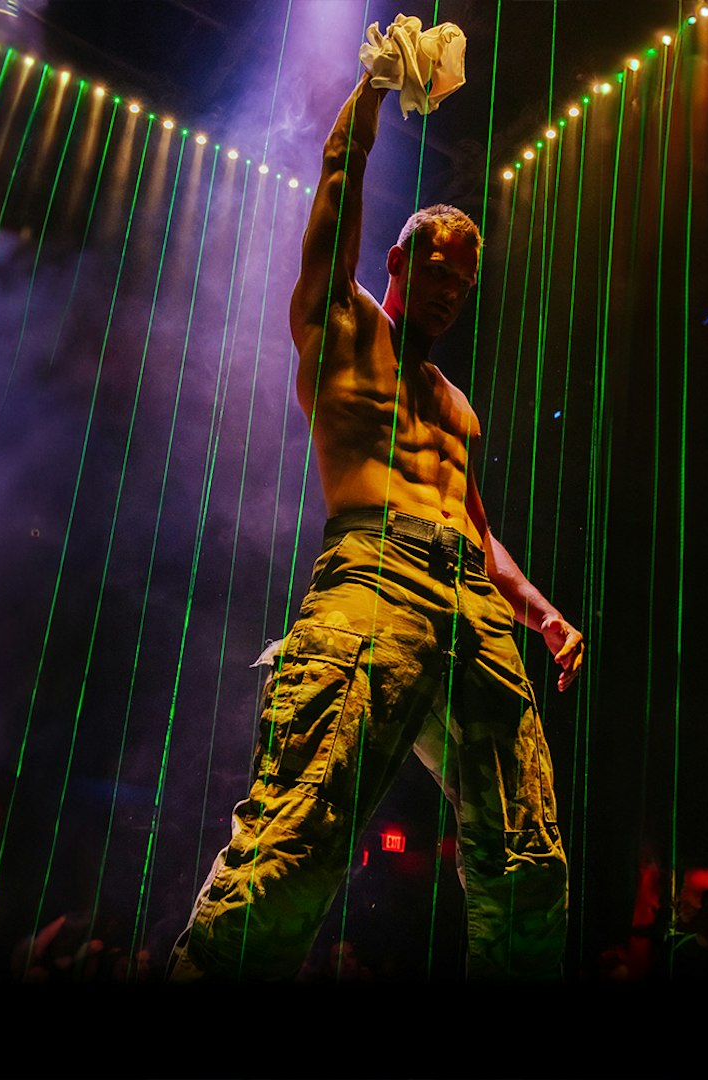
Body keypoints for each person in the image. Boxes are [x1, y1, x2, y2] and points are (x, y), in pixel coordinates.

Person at [166, 59, 584, 982]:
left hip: (471, 604)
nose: (452, 291)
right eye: (440, 268)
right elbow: (336, 194)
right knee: (297, 836)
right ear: (400, 261)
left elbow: (477, 529)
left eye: (466, 283)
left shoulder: (457, 406)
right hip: (374, 575)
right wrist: (373, 96)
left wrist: (543, 613)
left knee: (529, 863)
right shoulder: (342, 327)